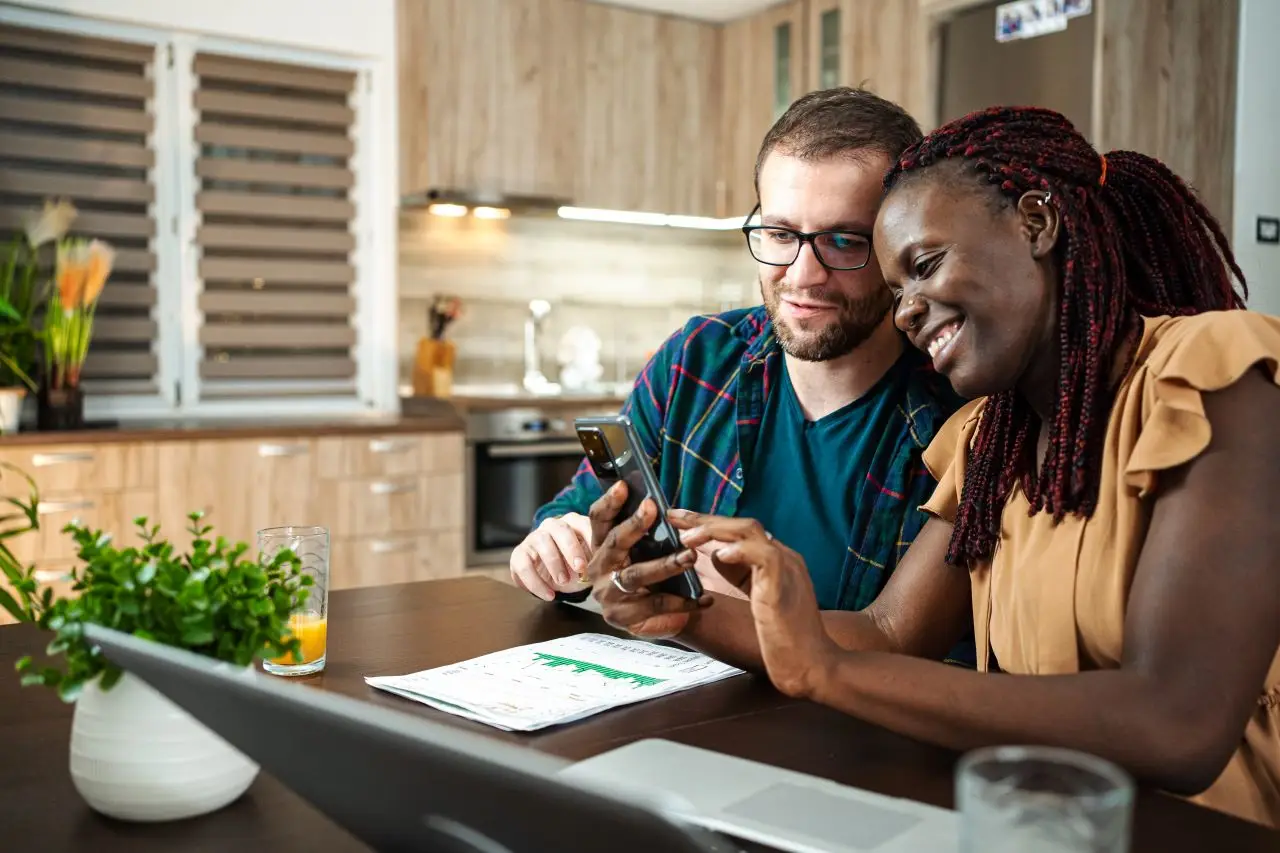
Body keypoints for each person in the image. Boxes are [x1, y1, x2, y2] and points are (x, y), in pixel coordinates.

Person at [585, 105, 1280, 829]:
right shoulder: (990, 439)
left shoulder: (1215, 375)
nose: (910, 311)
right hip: (1036, 830)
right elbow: (886, 633)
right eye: (897, 290)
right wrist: (684, 611)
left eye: (924, 266)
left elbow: (1176, 724)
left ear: (1036, 222)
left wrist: (827, 668)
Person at [510, 87, 968, 664]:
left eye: (844, 240)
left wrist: (696, 616)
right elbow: (583, 512)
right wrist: (556, 546)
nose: (804, 276)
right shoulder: (696, 361)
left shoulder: (955, 414)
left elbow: (921, 652)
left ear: (898, 243)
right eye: (780, 235)